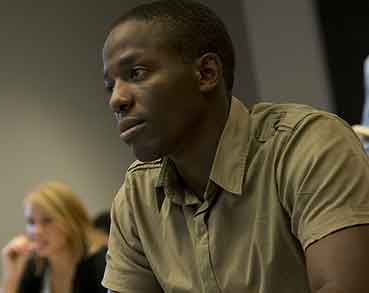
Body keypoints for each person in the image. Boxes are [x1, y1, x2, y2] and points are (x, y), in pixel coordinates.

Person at [101, 0, 369, 292]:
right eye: (109, 86)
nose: (117, 99)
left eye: (136, 73)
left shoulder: (309, 146)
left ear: (206, 73)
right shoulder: (137, 195)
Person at [0, 181, 107, 293]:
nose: (36, 231)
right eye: (31, 222)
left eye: (47, 221)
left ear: (71, 222)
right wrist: (11, 276)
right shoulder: (35, 265)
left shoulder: (100, 263)